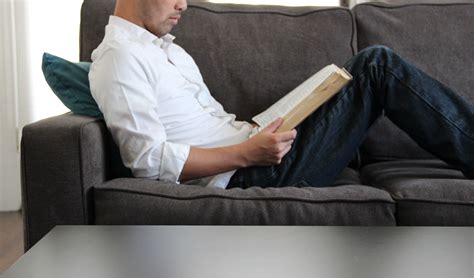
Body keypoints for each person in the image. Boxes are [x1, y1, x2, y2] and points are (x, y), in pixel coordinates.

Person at [89, 0, 474, 189]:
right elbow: (147, 160)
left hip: (254, 151)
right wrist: (247, 152)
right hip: (248, 174)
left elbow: (211, 124)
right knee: (377, 66)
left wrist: (260, 133)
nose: (183, 5)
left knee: (351, 75)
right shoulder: (120, 58)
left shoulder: (168, 50)